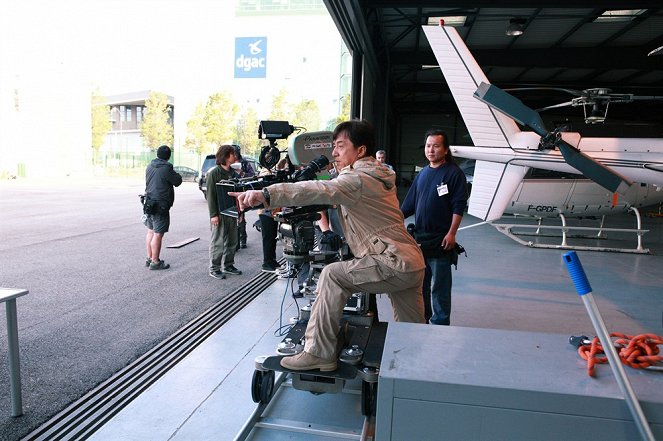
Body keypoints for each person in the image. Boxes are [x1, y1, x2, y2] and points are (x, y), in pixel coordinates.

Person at [230, 120, 425, 372]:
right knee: (413, 335)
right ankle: (418, 373)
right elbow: (328, 188)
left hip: (392, 261)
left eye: (340, 146)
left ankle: (318, 353)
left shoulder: (356, 179)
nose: (333, 153)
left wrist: (266, 195)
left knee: (333, 275)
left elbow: (320, 188)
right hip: (411, 261)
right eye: (333, 146)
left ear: (361, 150)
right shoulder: (378, 174)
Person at [400, 129, 467, 325]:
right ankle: (423, 319)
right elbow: (408, 205)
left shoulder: (454, 174)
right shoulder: (423, 174)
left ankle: (440, 323)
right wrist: (391, 220)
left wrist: (452, 233)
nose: (431, 150)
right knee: (421, 284)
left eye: (436, 146)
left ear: (445, 150)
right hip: (420, 240)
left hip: (442, 240)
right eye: (428, 146)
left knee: (440, 286)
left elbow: (458, 205)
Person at [144, 145, 182, 270]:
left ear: (157, 154)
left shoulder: (149, 166)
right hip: (160, 205)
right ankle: (155, 262)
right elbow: (178, 181)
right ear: (169, 156)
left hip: (148, 203)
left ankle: (149, 258)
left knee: (150, 231)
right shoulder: (166, 168)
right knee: (158, 234)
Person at [206, 145, 242, 279]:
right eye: (233, 154)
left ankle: (228, 265)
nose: (235, 156)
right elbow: (210, 195)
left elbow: (239, 194)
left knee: (232, 241)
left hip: (232, 212)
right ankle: (214, 268)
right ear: (226, 155)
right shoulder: (214, 173)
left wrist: (240, 213)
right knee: (218, 242)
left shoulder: (234, 173)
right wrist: (213, 215)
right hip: (220, 213)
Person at [233, 145, 256, 249]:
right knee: (233, 217)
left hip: (242, 191)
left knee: (241, 216)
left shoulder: (245, 163)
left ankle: (243, 239)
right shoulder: (227, 163)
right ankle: (235, 241)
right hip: (231, 191)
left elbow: (252, 175)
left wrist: (242, 173)